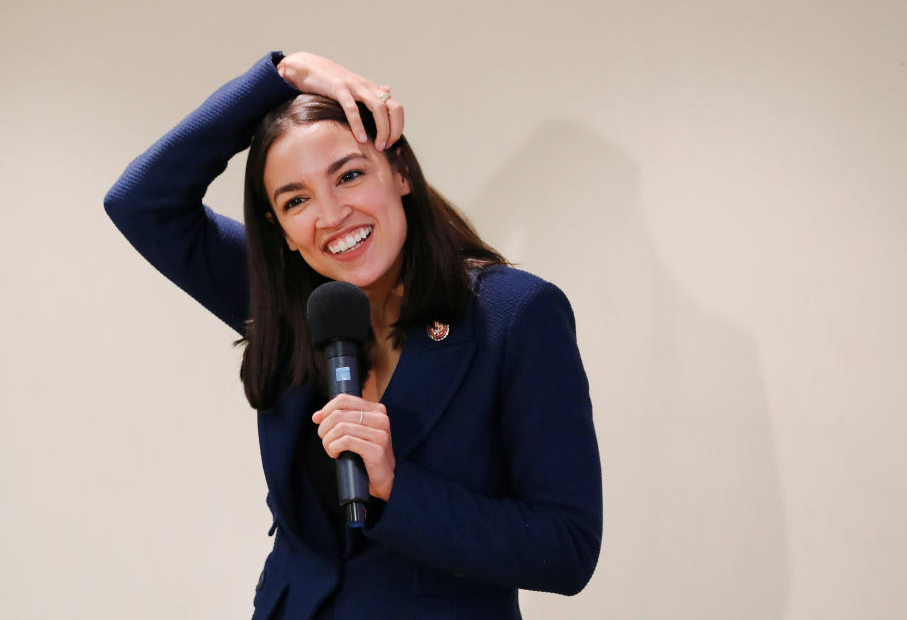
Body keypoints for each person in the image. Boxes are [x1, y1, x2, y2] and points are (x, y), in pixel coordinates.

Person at [104, 50, 602, 620]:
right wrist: (282, 74)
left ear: (401, 173)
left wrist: (396, 487)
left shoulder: (516, 313)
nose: (331, 213)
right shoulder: (287, 299)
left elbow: (567, 548)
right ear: (281, 230)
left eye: (349, 174)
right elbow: (141, 202)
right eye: (296, 200)